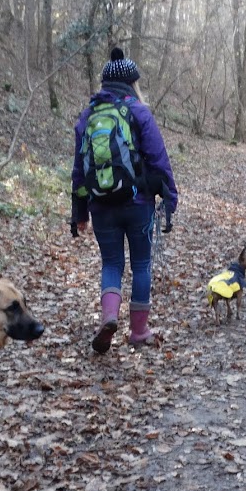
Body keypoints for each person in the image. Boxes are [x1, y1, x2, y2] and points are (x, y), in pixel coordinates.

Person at [71, 47, 178, 353]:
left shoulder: (88, 115)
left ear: (103, 84)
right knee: (142, 264)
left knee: (112, 263)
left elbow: (79, 168)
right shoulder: (139, 112)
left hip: (100, 205)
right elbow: (158, 157)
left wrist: (79, 212)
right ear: (133, 84)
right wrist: (170, 197)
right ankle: (139, 331)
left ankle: (108, 317)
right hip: (138, 202)